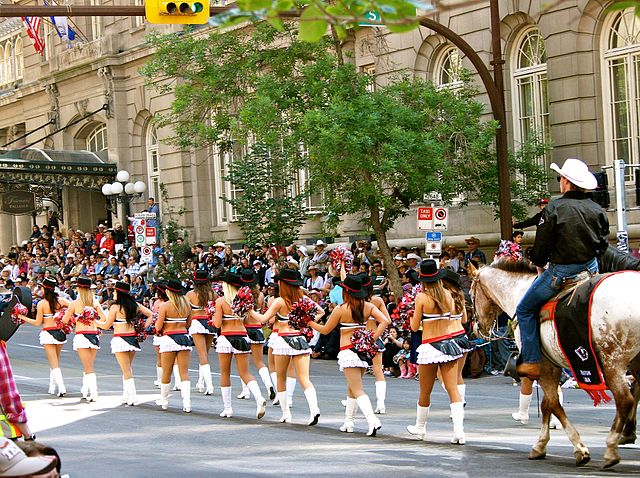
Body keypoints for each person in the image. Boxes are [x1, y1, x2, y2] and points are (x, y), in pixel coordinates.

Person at [516, 158, 609, 380]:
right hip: (590, 269)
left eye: (560, 178)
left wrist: (535, 258)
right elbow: (603, 244)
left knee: (524, 309)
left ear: (566, 181)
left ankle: (531, 361)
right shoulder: (597, 209)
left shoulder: (554, 208)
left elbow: (542, 246)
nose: (560, 181)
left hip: (562, 272)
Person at [308, 275, 386, 436]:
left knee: (357, 389)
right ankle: (348, 421)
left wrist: (308, 322)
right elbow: (385, 321)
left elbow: (325, 330)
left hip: (349, 351)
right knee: (352, 387)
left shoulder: (340, 309)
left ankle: (372, 420)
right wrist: (372, 338)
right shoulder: (368, 306)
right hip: (363, 351)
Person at [249, 268, 323, 425]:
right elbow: (321, 311)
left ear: (282, 284)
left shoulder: (279, 301)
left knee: (280, 378)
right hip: (300, 339)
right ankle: (314, 409)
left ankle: (286, 414)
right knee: (304, 378)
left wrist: (249, 310)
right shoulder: (304, 300)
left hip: (283, 341)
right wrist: (306, 322)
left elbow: (263, 319)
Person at [408, 259, 466, 445]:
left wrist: (411, 318)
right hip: (448, 344)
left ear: (423, 280)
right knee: (453, 389)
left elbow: (415, 326)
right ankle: (459, 431)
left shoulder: (421, 298)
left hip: (430, 346)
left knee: (425, 391)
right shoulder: (449, 296)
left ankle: (420, 427)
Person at [212, 272, 267, 420]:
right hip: (242, 336)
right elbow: (249, 320)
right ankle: (259, 397)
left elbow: (217, 324)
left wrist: (212, 316)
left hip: (226, 337)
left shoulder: (221, 301)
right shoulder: (244, 301)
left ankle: (228, 409)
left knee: (225, 373)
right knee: (245, 372)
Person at [97, 281, 153, 406]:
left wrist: (94, 323)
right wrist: (142, 327)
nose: (113, 294)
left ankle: (132, 397)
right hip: (132, 338)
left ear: (119, 293)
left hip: (120, 339)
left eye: (115, 291)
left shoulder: (115, 307)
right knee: (127, 368)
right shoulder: (135, 304)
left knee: (126, 369)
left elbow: (106, 325)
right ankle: (126, 395)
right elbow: (151, 314)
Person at [19, 278, 70, 397]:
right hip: (60, 332)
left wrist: (23, 317)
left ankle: (61, 387)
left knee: (54, 363)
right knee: (56, 361)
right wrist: (66, 319)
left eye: (41, 287)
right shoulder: (61, 301)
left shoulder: (42, 303)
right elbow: (74, 307)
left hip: (48, 333)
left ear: (45, 289)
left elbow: (37, 322)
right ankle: (52, 387)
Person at [62, 276, 107, 402]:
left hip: (82, 336)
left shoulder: (75, 303)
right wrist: (94, 322)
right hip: (94, 335)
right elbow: (104, 319)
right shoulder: (95, 302)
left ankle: (94, 393)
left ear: (79, 289)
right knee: (89, 365)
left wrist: (76, 319)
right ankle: (85, 390)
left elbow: (64, 320)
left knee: (88, 366)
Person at [154, 279, 194, 413]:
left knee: (167, 371)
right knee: (184, 372)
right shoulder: (187, 304)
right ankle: (187, 403)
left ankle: (164, 401)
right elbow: (188, 324)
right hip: (184, 338)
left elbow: (158, 326)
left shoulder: (165, 306)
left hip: (169, 338)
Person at [236, 269, 275, 401]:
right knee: (259, 361)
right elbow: (262, 311)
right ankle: (269, 385)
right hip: (257, 328)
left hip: (245, 328)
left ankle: (245, 390)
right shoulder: (260, 295)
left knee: (243, 363)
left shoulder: (241, 294)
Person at [360, 275, 391, 414]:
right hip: (374, 335)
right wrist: (375, 337)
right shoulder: (377, 300)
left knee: (356, 371)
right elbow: (387, 320)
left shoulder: (357, 301)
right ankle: (381, 404)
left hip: (359, 337)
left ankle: (354, 398)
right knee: (378, 371)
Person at [186, 271, 216, 396]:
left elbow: (186, 311)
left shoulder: (190, 294)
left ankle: (209, 385)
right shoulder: (213, 294)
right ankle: (201, 382)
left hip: (197, 323)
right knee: (205, 354)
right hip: (209, 322)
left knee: (202, 355)